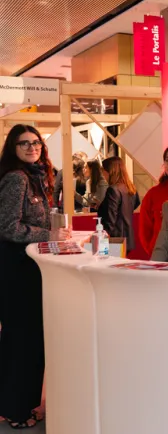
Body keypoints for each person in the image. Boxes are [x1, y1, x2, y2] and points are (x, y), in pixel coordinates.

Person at [0, 125, 70, 429]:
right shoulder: (17, 178)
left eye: (36, 142)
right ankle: (16, 410)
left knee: (26, 339)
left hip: (28, 268)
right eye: (24, 143)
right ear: (13, 148)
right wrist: (48, 235)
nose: (32, 148)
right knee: (22, 340)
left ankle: (19, 404)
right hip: (16, 270)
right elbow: (7, 227)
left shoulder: (38, 177)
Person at [98, 156, 140, 252]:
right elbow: (136, 203)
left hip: (115, 239)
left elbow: (110, 219)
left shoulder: (113, 189)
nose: (103, 175)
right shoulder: (130, 187)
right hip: (128, 238)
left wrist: (102, 240)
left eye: (103, 171)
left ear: (110, 171)